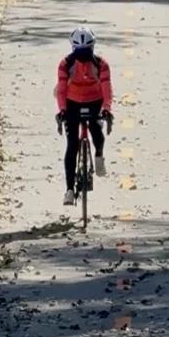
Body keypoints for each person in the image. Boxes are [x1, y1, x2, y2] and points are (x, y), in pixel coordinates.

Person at [56, 26, 113, 207]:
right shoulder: (65, 64)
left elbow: (106, 88)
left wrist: (106, 108)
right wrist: (62, 110)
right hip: (72, 101)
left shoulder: (101, 64)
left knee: (96, 129)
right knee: (72, 144)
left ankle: (99, 156)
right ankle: (69, 190)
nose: (83, 55)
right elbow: (62, 89)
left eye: (86, 51)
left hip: (94, 100)